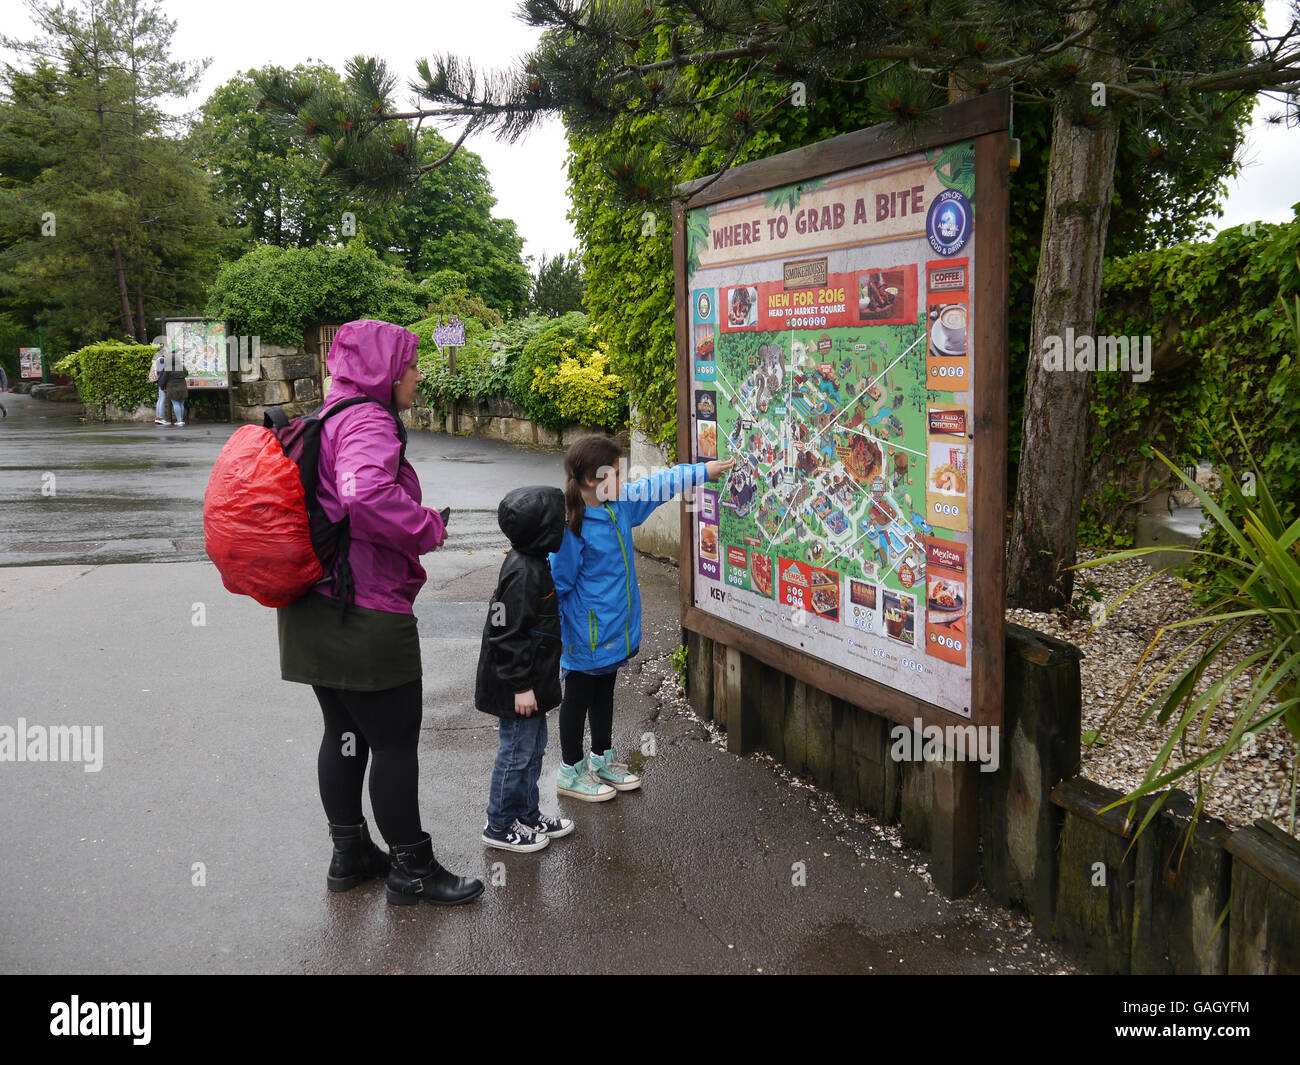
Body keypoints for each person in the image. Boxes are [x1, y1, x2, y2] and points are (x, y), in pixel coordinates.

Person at [276, 318, 483, 907]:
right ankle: (412, 871)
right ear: (384, 371)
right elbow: (364, 494)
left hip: (311, 607)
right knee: (393, 745)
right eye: (410, 365)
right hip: (362, 611)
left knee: (342, 733)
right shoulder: (368, 418)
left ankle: (351, 855)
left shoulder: (327, 413)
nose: (416, 376)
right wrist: (426, 526)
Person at [549, 435, 733, 799]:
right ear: (592, 480)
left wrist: (702, 471)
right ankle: (570, 770)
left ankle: (602, 758)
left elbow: (659, 484)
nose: (625, 479)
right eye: (617, 473)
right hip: (585, 635)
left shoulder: (620, 506)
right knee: (579, 696)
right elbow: (559, 584)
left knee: (604, 691)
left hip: (613, 630)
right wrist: (559, 634)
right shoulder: (572, 528)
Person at [475, 484, 574, 852]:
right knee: (516, 753)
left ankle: (527, 813)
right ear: (541, 529)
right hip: (516, 686)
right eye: (558, 519)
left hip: (533, 680)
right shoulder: (523, 573)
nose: (565, 523)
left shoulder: (534, 561)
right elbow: (506, 635)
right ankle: (499, 824)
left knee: (533, 750)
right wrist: (520, 686)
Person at [155, 348, 187, 426]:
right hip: (183, 388)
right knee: (181, 404)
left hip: (172, 389)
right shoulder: (182, 367)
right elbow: (186, 373)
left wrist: (162, 387)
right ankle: (181, 420)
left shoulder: (168, 368)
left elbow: (163, 380)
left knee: (176, 404)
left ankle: (179, 421)